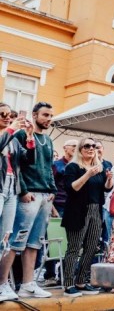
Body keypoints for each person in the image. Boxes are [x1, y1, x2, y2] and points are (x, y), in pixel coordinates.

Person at [0, 102, 56, 300]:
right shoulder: (18, 134)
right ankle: (2, 283)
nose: (49, 119)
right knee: (15, 240)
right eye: (45, 115)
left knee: (34, 243)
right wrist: (23, 190)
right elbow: (20, 167)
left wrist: (53, 190)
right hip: (25, 192)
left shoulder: (47, 140)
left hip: (44, 194)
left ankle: (27, 284)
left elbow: (43, 165)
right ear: (34, 115)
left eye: (51, 115)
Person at [62, 137, 113, 297]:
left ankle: (81, 281)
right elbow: (72, 188)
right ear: (80, 149)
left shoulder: (98, 167)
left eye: (94, 146)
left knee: (91, 247)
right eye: (87, 146)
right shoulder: (73, 166)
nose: (91, 148)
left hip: (95, 210)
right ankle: (68, 284)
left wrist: (109, 179)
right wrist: (87, 174)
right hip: (77, 211)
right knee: (74, 248)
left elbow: (105, 189)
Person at [0, 104, 35, 301]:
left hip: (11, 188)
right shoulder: (7, 134)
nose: (7, 117)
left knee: (5, 237)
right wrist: (12, 128)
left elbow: (28, 160)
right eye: (3, 114)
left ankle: (1, 284)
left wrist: (29, 136)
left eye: (10, 114)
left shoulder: (12, 139)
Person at [43, 138, 78, 286]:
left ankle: (65, 275)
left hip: (74, 207)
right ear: (65, 148)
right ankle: (50, 275)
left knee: (71, 242)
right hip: (58, 206)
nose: (76, 148)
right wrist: (52, 208)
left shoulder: (78, 165)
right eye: (74, 146)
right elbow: (49, 187)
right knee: (53, 240)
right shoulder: (56, 165)